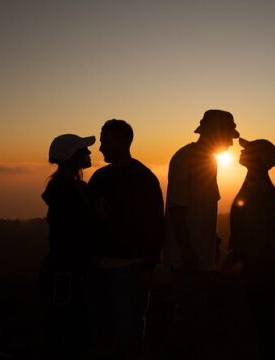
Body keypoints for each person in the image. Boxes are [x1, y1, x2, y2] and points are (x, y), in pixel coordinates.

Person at [163, 109, 239, 359]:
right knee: (187, 324)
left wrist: (212, 238)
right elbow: (176, 209)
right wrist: (188, 253)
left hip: (198, 257)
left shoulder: (208, 159)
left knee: (194, 323)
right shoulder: (187, 158)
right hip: (188, 261)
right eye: (228, 135)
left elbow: (201, 207)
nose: (230, 142)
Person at [88, 119, 165, 359]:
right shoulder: (100, 178)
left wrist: (149, 267)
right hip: (100, 267)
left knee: (128, 334)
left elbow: (155, 226)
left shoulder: (144, 180)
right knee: (106, 333)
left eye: (106, 141)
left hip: (130, 269)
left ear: (124, 142)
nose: (100, 148)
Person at [225, 138, 275, 360]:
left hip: (258, 263)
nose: (242, 153)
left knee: (260, 318)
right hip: (263, 261)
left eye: (248, 152)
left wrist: (242, 260)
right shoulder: (261, 183)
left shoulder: (256, 186)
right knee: (264, 317)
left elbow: (254, 228)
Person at [40, 133, 96, 359]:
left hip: (66, 273)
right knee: (69, 335)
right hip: (65, 275)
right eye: (83, 150)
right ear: (71, 157)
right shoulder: (65, 194)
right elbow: (73, 234)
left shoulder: (71, 188)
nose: (89, 153)